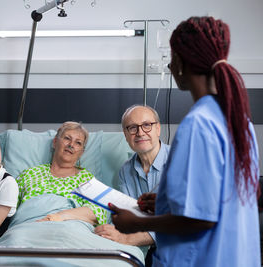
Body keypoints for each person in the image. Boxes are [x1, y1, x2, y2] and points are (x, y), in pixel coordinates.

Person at [110, 16, 260, 266]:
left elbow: (201, 219)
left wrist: (136, 223)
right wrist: (167, 203)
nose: (170, 66)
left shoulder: (198, 124)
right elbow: (224, 197)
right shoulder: (238, 120)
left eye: (172, 58)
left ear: (180, 62)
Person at [95, 105, 169, 248]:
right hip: (147, 250)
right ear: (125, 134)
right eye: (133, 128)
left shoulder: (181, 162)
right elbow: (129, 213)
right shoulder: (126, 170)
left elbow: (183, 221)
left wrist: (128, 239)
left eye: (147, 125)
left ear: (158, 129)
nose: (140, 133)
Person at [17, 121, 108, 225]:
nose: (71, 145)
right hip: (28, 226)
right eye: (67, 138)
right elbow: (7, 208)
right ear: (55, 142)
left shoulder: (86, 179)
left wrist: (60, 216)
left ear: (81, 153)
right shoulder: (30, 174)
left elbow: (98, 212)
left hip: (68, 229)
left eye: (78, 143)